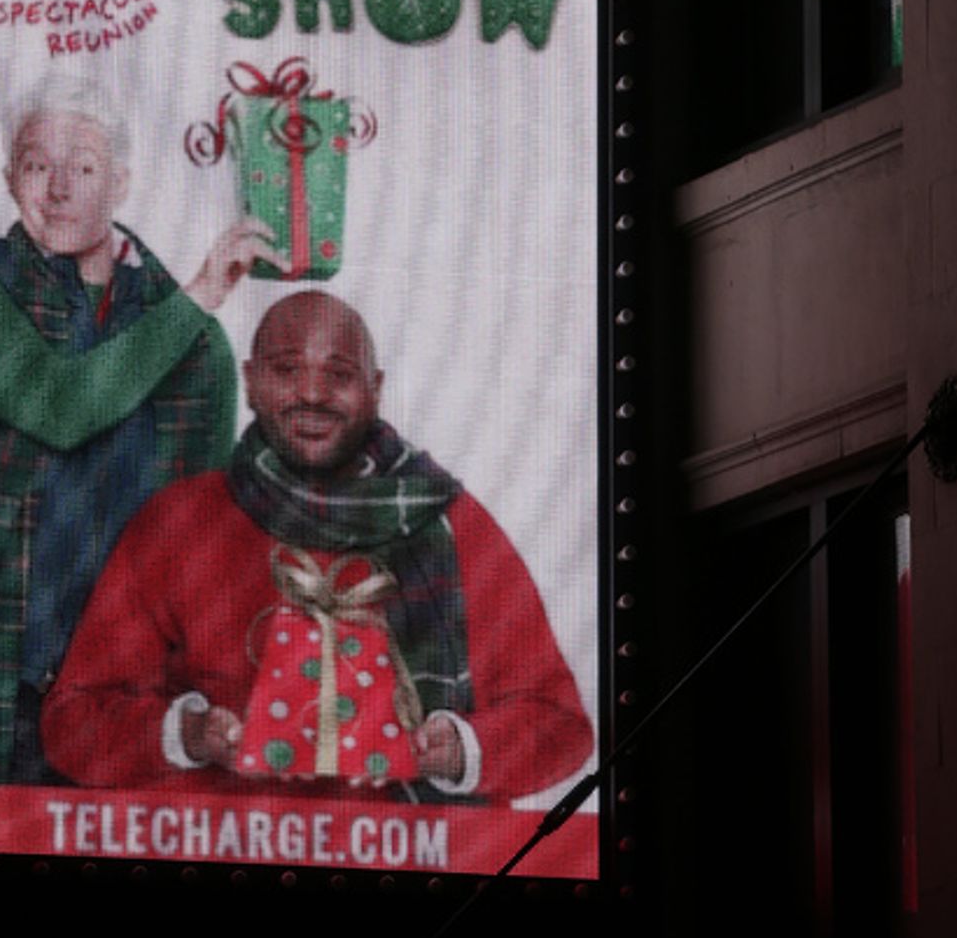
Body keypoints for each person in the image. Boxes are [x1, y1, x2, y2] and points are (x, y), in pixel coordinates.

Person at [43, 291, 593, 803]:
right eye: (286, 371)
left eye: (339, 375)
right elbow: (73, 725)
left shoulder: (450, 522)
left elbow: (560, 727)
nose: (311, 394)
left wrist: (461, 749)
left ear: (375, 389)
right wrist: (188, 734)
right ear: (252, 382)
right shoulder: (177, 522)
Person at [0, 81, 280, 784]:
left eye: (81, 166)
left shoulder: (193, 342)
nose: (56, 189)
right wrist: (201, 294)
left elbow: (205, 524)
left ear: (120, 184)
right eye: (34, 165)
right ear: (8, 180)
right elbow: (58, 405)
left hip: (124, 685)